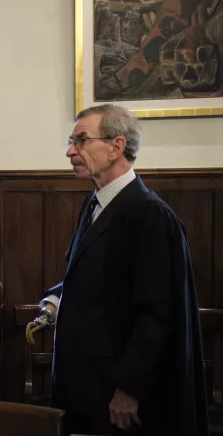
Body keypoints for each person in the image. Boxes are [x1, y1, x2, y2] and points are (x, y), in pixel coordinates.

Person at [35, 104, 208, 435]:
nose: (70, 151)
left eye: (81, 140)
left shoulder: (150, 216)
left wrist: (129, 389)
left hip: (120, 396)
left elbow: (156, 314)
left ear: (116, 147)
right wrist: (58, 299)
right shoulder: (95, 203)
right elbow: (100, 278)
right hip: (86, 384)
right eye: (70, 141)